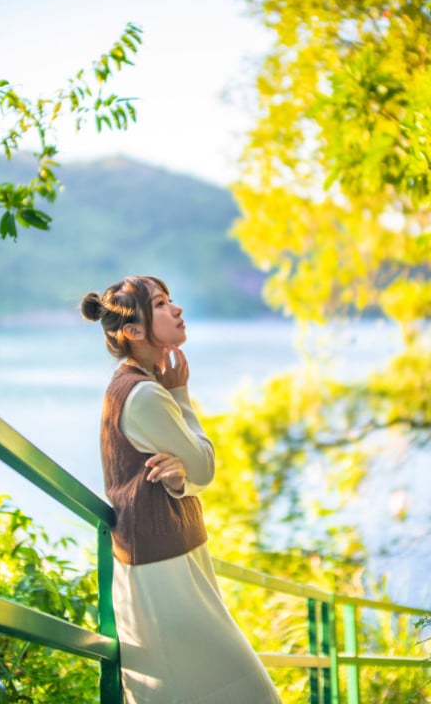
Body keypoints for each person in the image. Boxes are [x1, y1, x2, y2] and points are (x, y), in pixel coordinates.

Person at [81, 275, 281, 704]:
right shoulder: (146, 395)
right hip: (163, 572)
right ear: (133, 332)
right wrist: (183, 396)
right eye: (160, 304)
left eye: (171, 300)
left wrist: (180, 481)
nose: (177, 309)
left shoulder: (133, 383)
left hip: (171, 556)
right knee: (252, 693)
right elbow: (205, 468)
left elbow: (188, 473)